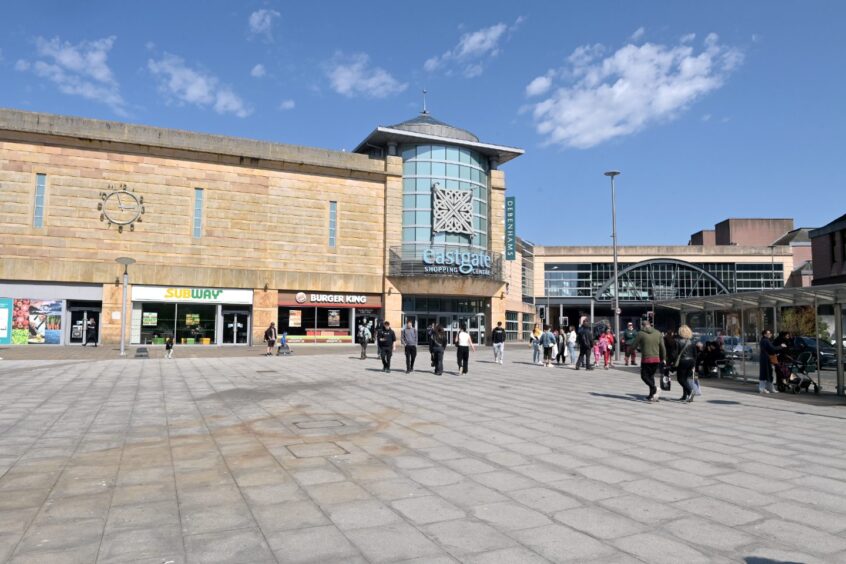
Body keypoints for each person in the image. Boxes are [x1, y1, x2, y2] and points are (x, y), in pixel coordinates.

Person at [633, 318, 666, 401]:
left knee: (644, 376)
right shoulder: (658, 333)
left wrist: (627, 354)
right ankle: (652, 395)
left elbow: (634, 345)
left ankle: (654, 388)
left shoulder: (640, 333)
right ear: (650, 325)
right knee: (651, 376)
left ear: (642, 326)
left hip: (646, 359)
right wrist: (663, 358)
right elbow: (662, 347)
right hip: (656, 359)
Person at [671, 325, 698, 402]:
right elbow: (695, 354)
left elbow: (674, 354)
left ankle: (690, 391)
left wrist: (672, 362)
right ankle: (685, 395)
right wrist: (694, 364)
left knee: (680, 379)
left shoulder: (677, 341)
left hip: (682, 361)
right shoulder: (692, 342)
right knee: (685, 378)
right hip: (691, 361)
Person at [759, 329, 785, 394]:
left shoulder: (763, 340)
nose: (770, 334)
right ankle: (763, 389)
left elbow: (771, 349)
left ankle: (768, 388)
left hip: (764, 358)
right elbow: (773, 348)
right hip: (766, 359)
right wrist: (781, 346)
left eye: (770, 333)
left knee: (767, 373)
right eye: (769, 333)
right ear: (765, 334)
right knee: (766, 373)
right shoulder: (766, 341)